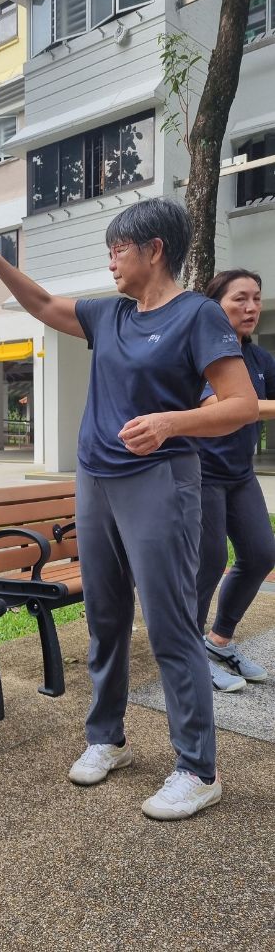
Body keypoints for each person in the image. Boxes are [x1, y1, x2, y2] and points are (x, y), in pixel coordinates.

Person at [0, 198, 258, 820]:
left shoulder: (198, 315)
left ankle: (197, 769)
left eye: (118, 248)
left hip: (160, 479)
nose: (110, 259)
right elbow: (43, 306)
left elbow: (240, 404)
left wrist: (173, 422)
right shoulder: (110, 313)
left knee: (172, 624)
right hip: (96, 477)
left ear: (154, 250)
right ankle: (107, 737)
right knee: (105, 616)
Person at [196, 269, 275, 692]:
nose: (250, 308)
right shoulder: (202, 352)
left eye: (257, 299)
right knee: (207, 562)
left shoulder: (260, 358)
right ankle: (190, 655)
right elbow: (230, 404)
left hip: (240, 474)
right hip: (201, 472)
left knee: (262, 554)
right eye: (239, 299)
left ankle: (219, 641)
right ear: (215, 306)